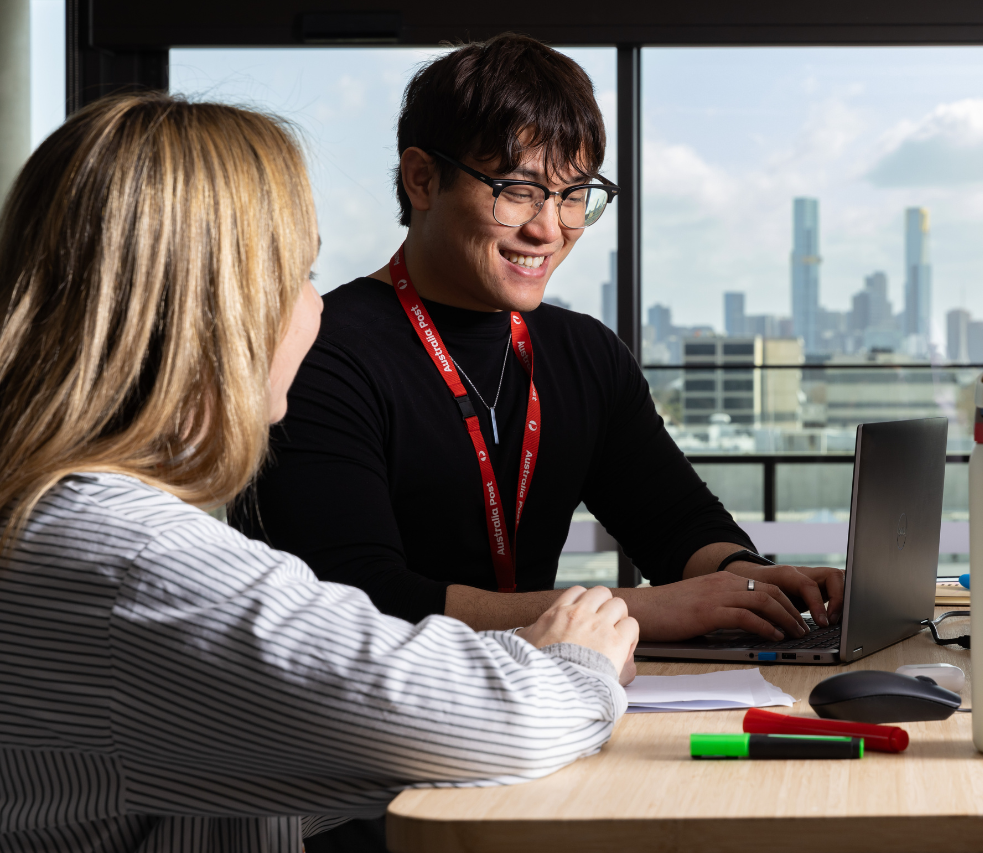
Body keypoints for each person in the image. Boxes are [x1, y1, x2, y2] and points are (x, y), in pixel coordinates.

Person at [0, 92, 638, 853]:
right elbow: (506, 725)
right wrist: (580, 656)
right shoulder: (138, 564)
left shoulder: (51, 522)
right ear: (222, 311)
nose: (315, 306)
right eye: (302, 273)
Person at [234, 33, 846, 645]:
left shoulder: (585, 354)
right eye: (517, 190)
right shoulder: (316, 353)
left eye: (574, 194)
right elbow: (358, 597)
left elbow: (676, 523)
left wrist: (752, 585)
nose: (549, 229)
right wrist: (642, 610)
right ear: (422, 179)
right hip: (378, 711)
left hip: (544, 693)